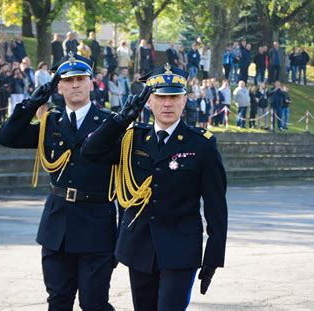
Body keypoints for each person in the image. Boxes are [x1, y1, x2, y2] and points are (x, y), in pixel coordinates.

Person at [81, 63, 228, 310]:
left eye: (173, 97)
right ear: (149, 102)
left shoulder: (202, 145)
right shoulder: (132, 137)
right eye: (160, 97)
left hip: (181, 249)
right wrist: (122, 118)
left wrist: (213, 257)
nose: (167, 104)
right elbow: (91, 151)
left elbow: (216, 207)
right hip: (139, 247)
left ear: (184, 101)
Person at [0, 53, 117, 310]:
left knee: (94, 304)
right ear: (59, 86)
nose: (75, 85)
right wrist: (32, 103)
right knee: (58, 302)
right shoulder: (50, 122)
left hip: (96, 224)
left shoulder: (109, 122)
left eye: (80, 79)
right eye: (68, 80)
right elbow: (8, 137)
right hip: (57, 226)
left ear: (91, 83)